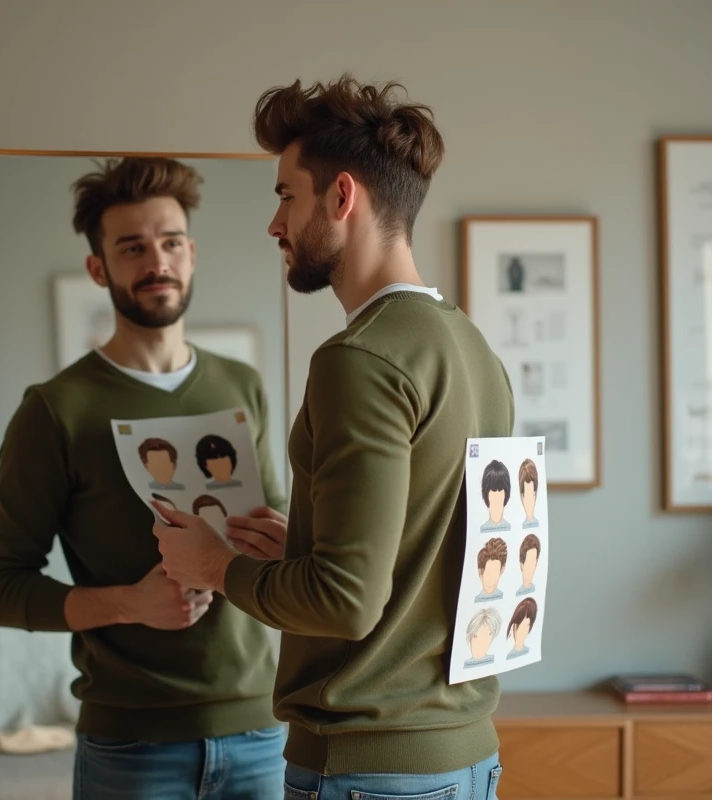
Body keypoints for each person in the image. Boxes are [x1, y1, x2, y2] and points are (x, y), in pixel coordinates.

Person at [151, 75, 514, 800]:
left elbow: (347, 602)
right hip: (465, 757)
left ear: (342, 197)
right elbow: (432, 553)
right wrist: (309, 544)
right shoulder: (471, 347)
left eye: (286, 195)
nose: (274, 224)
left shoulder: (359, 359)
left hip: (370, 769)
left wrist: (214, 565)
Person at [0, 156, 289, 799]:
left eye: (171, 242)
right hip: (131, 745)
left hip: (263, 731)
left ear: (191, 254)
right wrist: (130, 602)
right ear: (99, 268)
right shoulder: (56, 409)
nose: (157, 261)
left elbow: (278, 524)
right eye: (132, 247)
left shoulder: (243, 386)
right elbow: (4, 582)